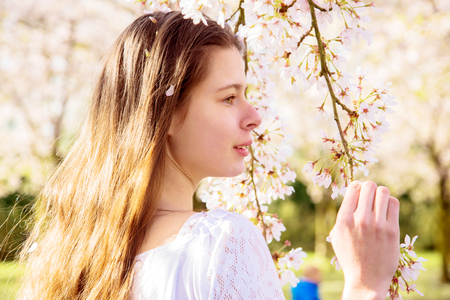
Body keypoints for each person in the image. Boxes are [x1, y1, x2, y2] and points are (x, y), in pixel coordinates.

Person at [18, 11, 400, 300]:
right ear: (162, 112)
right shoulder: (221, 242)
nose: (254, 117)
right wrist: (366, 285)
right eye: (229, 97)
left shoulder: (65, 253)